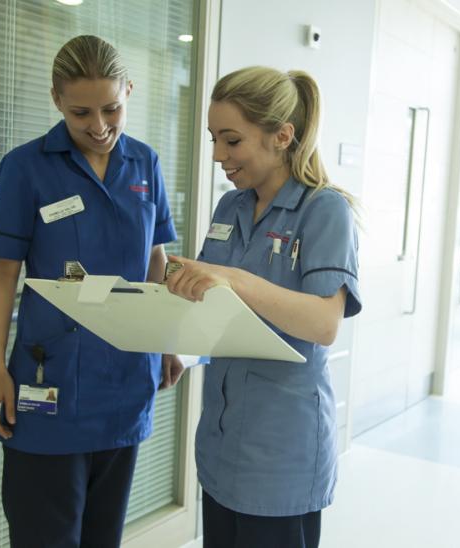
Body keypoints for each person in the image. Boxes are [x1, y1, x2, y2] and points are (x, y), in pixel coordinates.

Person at [0, 35, 184, 548]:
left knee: (103, 538)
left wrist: (163, 341)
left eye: (112, 108)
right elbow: (2, 273)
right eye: (80, 112)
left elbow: (155, 259)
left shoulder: (145, 165)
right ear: (56, 101)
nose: (99, 126)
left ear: (129, 92)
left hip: (124, 381)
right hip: (50, 386)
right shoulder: (26, 168)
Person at [166, 66, 362, 548]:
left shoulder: (324, 210)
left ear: (282, 136)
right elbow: (213, 306)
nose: (218, 156)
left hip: (282, 455)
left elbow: (323, 323)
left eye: (232, 141)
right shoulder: (229, 209)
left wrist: (234, 278)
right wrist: (175, 338)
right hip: (222, 440)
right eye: (214, 139)